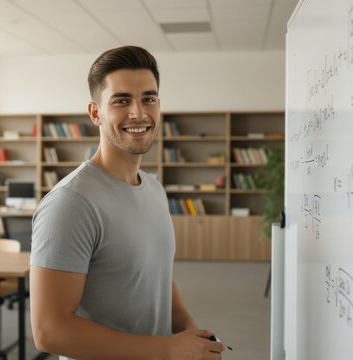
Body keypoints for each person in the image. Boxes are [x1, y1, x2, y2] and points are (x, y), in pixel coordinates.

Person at [30, 45, 225, 360]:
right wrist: (168, 350)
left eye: (148, 99)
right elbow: (49, 331)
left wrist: (189, 331)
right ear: (96, 113)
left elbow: (155, 275)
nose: (138, 113)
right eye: (121, 101)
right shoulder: (71, 202)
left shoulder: (154, 190)